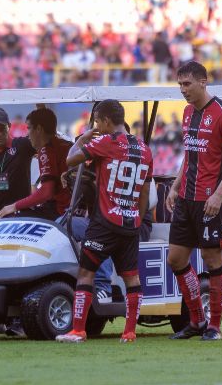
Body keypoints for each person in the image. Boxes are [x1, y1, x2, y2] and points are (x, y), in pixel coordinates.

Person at [57, 100, 153, 344]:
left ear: (107, 121)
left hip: (104, 222)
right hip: (130, 224)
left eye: (98, 121)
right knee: (132, 277)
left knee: (86, 273)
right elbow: (144, 192)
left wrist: (83, 137)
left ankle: (78, 329)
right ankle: (129, 332)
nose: (97, 126)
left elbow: (70, 160)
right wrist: (137, 219)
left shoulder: (104, 143)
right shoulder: (144, 149)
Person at [165, 61, 222, 341]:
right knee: (175, 259)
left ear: (203, 82)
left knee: (212, 259)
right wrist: (174, 187)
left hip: (211, 199)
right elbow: (190, 156)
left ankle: (215, 326)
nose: (183, 90)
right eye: (180, 85)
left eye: (187, 84)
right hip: (186, 197)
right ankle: (197, 320)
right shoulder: (187, 113)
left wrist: (219, 194)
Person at [0, 108, 72, 221]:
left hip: (60, 211)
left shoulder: (46, 151)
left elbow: (46, 192)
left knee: (13, 217)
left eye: (29, 128)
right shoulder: (64, 144)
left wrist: (14, 206)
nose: (27, 134)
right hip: (72, 207)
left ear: (39, 129)